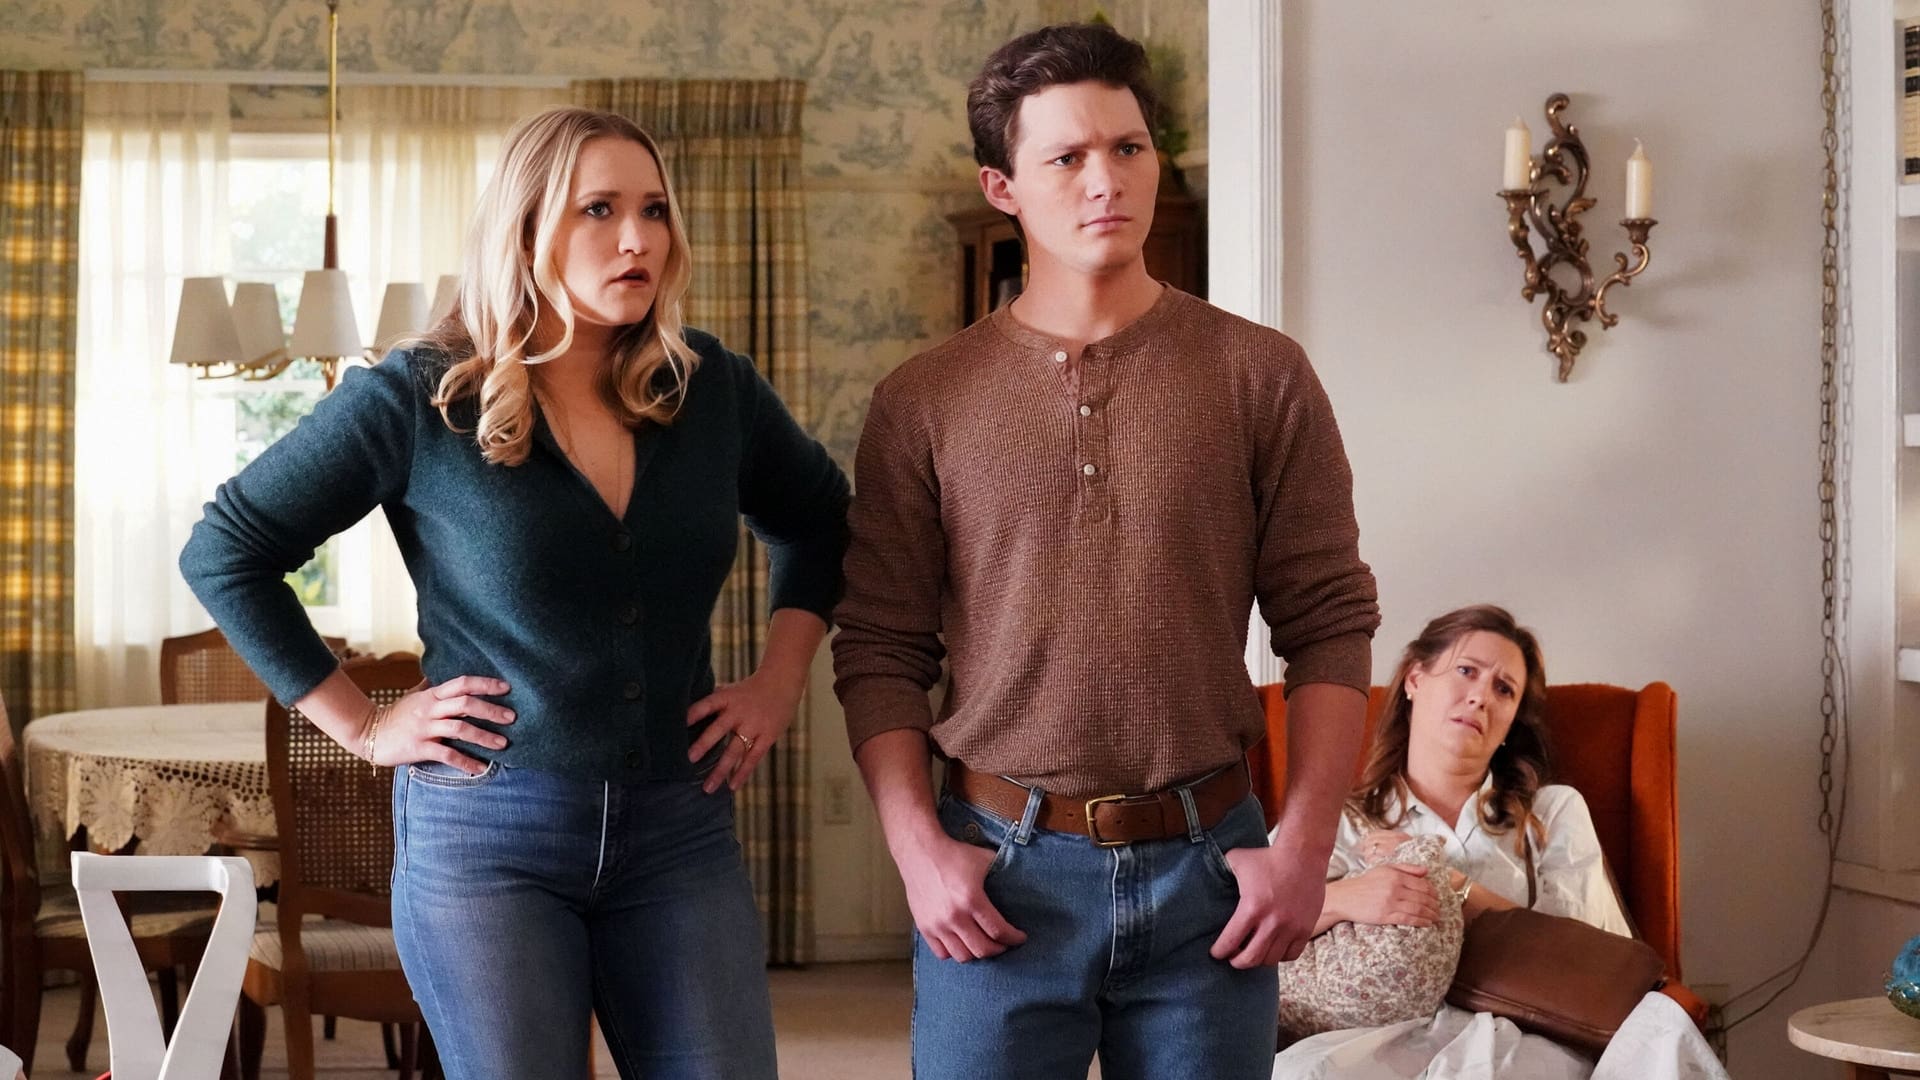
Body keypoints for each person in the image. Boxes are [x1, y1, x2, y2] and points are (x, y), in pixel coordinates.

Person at [180, 106, 850, 1080]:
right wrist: (364, 726)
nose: (638, 238)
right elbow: (226, 550)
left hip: (680, 831)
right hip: (489, 837)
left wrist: (780, 683)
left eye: (655, 210)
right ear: (526, 229)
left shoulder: (714, 391)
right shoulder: (419, 395)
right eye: (599, 210)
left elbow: (823, 520)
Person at [831, 22, 1380, 1080]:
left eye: (1128, 148)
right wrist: (918, 851)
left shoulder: (1260, 374)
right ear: (1001, 187)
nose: (1106, 180)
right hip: (998, 876)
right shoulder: (923, 400)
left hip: (1212, 877)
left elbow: (1329, 623)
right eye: (1067, 157)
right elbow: (881, 648)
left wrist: (1306, 849)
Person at [1273, 605, 1728, 1080]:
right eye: (1467, 671)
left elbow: (1587, 953)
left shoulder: (1552, 812)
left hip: (1525, 1034)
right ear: (1415, 679)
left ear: (1512, 723)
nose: (1481, 697)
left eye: (1504, 689)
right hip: (1371, 1039)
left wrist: (1449, 884)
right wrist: (1346, 898)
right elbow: (1249, 919)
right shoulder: (1338, 820)